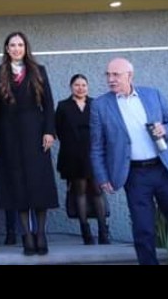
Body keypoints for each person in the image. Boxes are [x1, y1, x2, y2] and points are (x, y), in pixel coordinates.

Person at [90, 57, 168, 265]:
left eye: (116, 74)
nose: (110, 79)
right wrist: (102, 177)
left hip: (163, 170)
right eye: (108, 74)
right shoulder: (100, 106)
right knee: (143, 229)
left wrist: (164, 130)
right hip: (135, 175)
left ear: (129, 75)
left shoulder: (153, 95)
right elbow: (96, 147)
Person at [0, 31, 59, 257]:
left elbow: (48, 104)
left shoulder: (39, 71)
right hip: (8, 135)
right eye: (12, 45)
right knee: (16, 184)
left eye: (20, 45)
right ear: (7, 49)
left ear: (26, 47)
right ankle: (27, 235)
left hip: (35, 133)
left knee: (39, 183)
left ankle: (40, 233)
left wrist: (49, 131)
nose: (17, 48)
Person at [56, 74, 109, 245]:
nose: (80, 88)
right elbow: (58, 130)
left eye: (84, 85)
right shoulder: (63, 106)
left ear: (88, 87)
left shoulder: (96, 104)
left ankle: (103, 231)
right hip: (73, 156)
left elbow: (103, 128)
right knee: (80, 191)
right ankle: (85, 232)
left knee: (97, 190)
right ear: (71, 87)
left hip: (94, 154)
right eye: (77, 85)